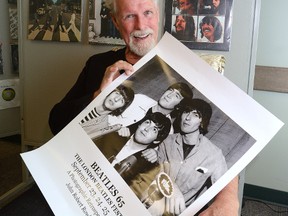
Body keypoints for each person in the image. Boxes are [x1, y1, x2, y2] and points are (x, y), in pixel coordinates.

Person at [48, 0, 239, 215]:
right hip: (85, 180)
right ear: (116, 22)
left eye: (147, 13)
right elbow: (56, 122)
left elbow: (215, 153)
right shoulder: (99, 64)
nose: (141, 25)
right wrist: (98, 96)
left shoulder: (191, 67)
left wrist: (228, 196)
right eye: (129, 16)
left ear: (158, 17)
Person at [96, 112, 171, 183]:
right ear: (140, 124)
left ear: (157, 140)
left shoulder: (146, 166)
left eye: (154, 129)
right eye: (147, 122)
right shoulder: (115, 135)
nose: (146, 129)